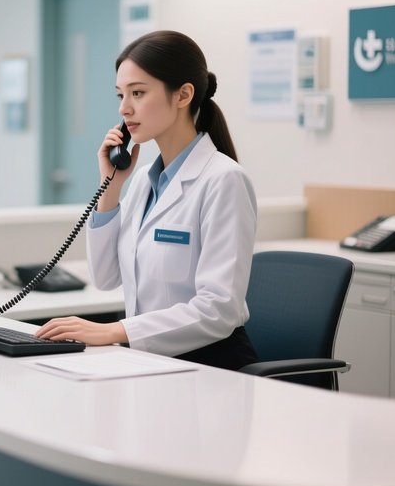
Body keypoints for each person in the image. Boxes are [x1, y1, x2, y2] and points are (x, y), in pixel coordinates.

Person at [35, 30, 259, 370]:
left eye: (138, 93)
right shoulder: (142, 182)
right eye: (120, 95)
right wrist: (110, 187)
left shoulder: (223, 180)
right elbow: (106, 277)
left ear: (183, 95)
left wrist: (115, 330)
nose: (125, 108)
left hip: (212, 366)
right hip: (150, 361)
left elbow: (219, 309)